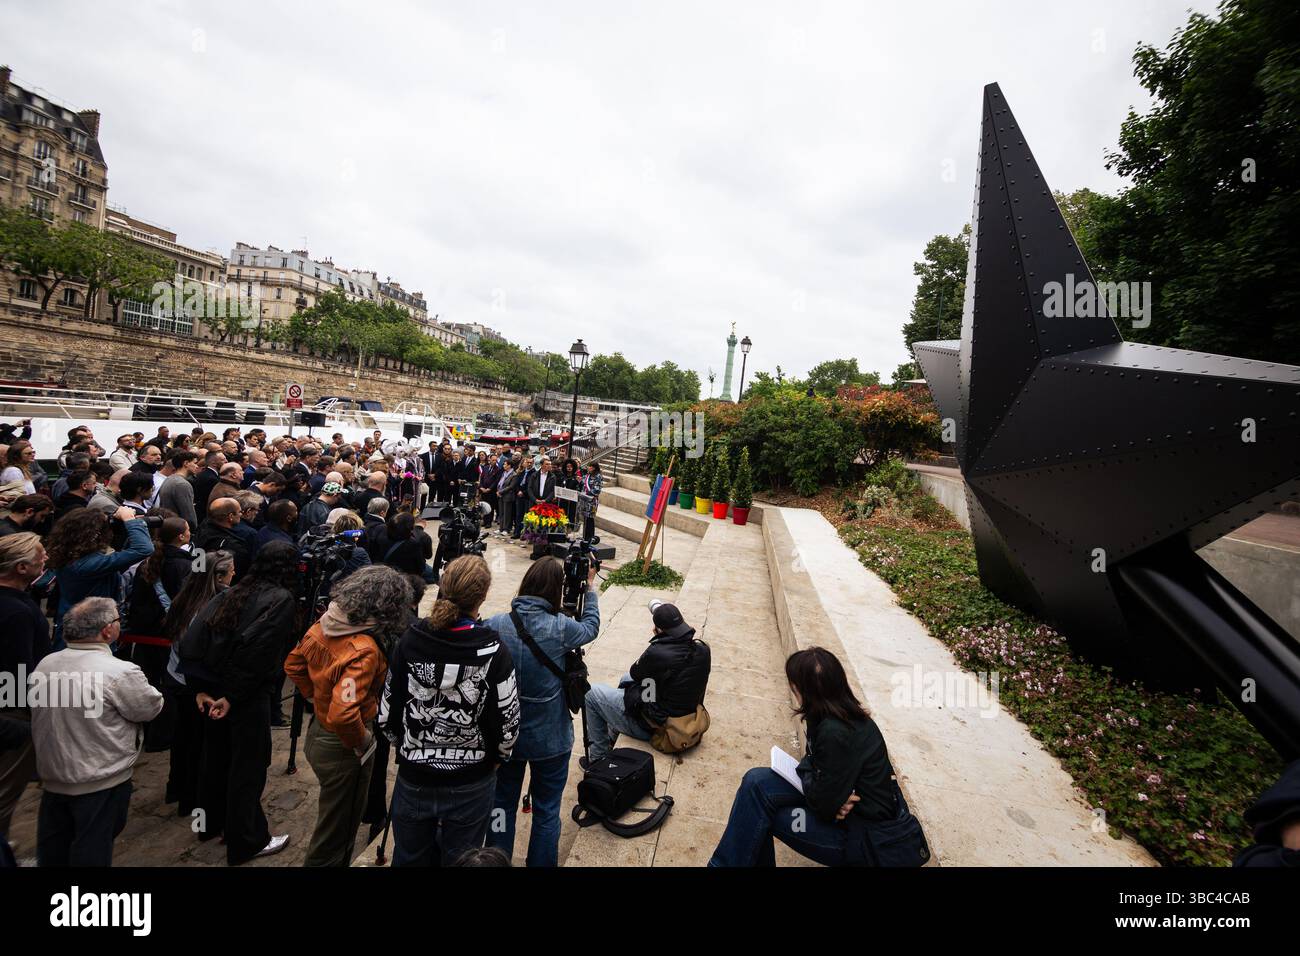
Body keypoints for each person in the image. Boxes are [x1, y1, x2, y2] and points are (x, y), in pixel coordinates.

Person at [379, 555, 520, 866]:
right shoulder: (494, 652)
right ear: (483, 595)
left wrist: (408, 749)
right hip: (471, 780)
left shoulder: (409, 642)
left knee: (410, 858)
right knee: (463, 860)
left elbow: (387, 711)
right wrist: (497, 759)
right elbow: (509, 721)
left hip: (416, 776)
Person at [709, 647, 902, 867]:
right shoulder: (824, 713)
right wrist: (820, 785)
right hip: (836, 805)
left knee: (760, 813)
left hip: (862, 837)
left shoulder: (835, 732)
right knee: (755, 781)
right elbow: (815, 769)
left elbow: (823, 805)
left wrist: (825, 794)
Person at [179, 542, 297, 864]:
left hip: (215, 691)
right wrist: (230, 696)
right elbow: (257, 653)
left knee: (215, 758)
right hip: (242, 697)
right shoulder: (280, 600)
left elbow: (193, 639)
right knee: (247, 765)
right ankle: (246, 839)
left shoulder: (232, 592)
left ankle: (212, 823)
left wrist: (201, 689)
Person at [285, 566, 412, 866]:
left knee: (333, 814)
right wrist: (363, 742)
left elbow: (293, 665)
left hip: (318, 733)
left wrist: (317, 699)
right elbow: (344, 714)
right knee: (336, 832)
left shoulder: (326, 622)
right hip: (343, 745)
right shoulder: (364, 648)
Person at [483, 557, 600, 866]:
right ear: (554, 590)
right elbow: (591, 627)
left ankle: (496, 859)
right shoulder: (561, 628)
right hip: (550, 738)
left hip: (506, 738)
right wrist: (589, 588)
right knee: (547, 811)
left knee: (501, 805)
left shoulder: (495, 625)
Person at [30, 597, 164, 867]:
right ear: (107, 631)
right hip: (101, 778)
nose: (120, 624)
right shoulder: (119, 672)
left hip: (54, 774)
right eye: (117, 619)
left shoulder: (45, 665)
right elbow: (149, 707)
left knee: (55, 848)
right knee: (92, 848)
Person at [583, 601, 711, 763]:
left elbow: (636, 671)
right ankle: (613, 731)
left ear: (659, 630)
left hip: (659, 728)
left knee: (591, 693)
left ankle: (597, 758)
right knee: (626, 679)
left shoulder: (658, 653)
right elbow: (641, 678)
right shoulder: (703, 650)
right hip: (685, 713)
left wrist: (658, 642)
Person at [160, 550, 235, 816]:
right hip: (196, 683)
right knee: (199, 744)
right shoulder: (211, 607)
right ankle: (193, 799)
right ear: (219, 577)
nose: (234, 574)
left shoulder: (186, 598)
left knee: (184, 739)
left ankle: (177, 787)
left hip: (176, 677)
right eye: (230, 571)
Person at [47, 507, 154, 650]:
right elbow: (143, 549)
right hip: (90, 634)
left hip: (75, 626)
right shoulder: (87, 565)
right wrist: (129, 520)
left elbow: (120, 555)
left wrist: (120, 525)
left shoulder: (70, 555)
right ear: (94, 535)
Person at [0, 532, 49, 842]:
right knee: (5, 793)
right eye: (39, 554)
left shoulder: (16, 602)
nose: (45, 558)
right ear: (20, 567)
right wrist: (31, 714)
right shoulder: (16, 612)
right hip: (13, 713)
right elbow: (18, 668)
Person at [196, 498, 252, 580]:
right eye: (240, 512)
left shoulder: (201, 530)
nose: (241, 514)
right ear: (231, 516)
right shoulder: (233, 547)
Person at [382, 511, 433, 580]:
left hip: (387, 573)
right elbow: (421, 567)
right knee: (433, 575)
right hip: (408, 576)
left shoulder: (383, 537)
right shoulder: (413, 543)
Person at [159, 450, 201, 531]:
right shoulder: (182, 484)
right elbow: (189, 516)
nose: (197, 466)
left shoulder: (169, 479)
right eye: (195, 463)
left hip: (170, 527)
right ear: (186, 463)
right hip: (179, 530)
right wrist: (194, 530)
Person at [495, 455, 520, 536]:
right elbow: (500, 483)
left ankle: (506, 529)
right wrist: (498, 491)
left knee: (507, 513)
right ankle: (501, 528)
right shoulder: (504, 473)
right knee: (501, 512)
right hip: (500, 495)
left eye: (505, 464)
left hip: (508, 496)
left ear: (509, 465)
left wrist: (501, 492)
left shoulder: (514, 474)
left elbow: (511, 486)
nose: (503, 466)